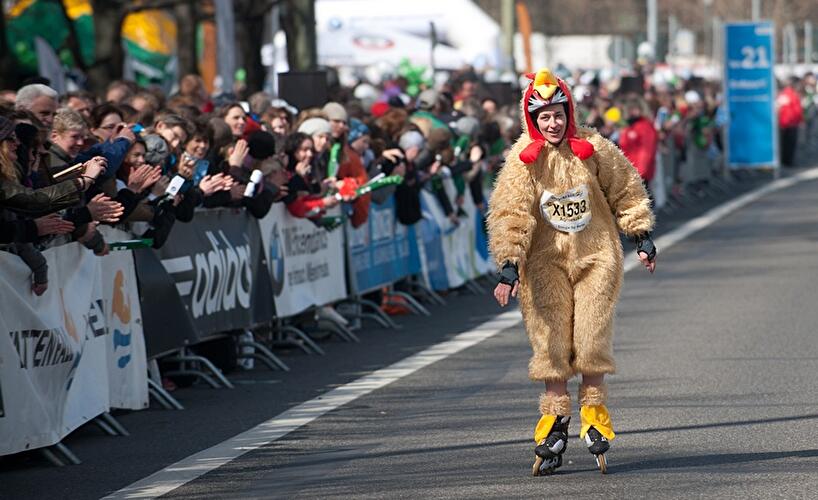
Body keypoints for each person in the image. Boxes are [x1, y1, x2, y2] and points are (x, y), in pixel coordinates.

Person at [487, 69, 657, 476]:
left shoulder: (595, 147)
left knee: (590, 336)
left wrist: (641, 235)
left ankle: (594, 411)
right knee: (551, 342)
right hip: (545, 261)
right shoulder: (522, 159)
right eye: (544, 116)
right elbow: (510, 212)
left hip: (596, 254)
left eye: (558, 114)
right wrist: (509, 267)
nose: (552, 123)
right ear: (533, 120)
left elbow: (626, 188)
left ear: (569, 113)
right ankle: (555, 419)